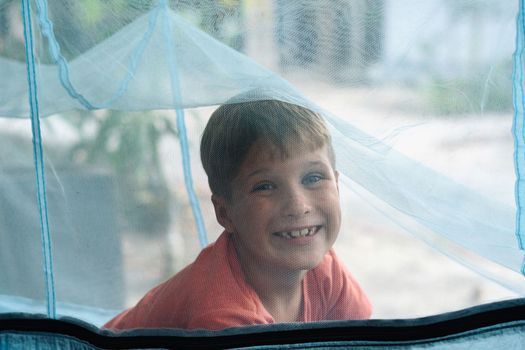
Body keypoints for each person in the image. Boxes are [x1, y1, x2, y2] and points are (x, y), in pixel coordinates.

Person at [104, 99, 371, 330]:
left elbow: (365, 340)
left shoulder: (327, 271)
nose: (298, 205)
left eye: (313, 177)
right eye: (265, 186)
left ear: (336, 184)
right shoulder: (221, 312)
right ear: (225, 213)